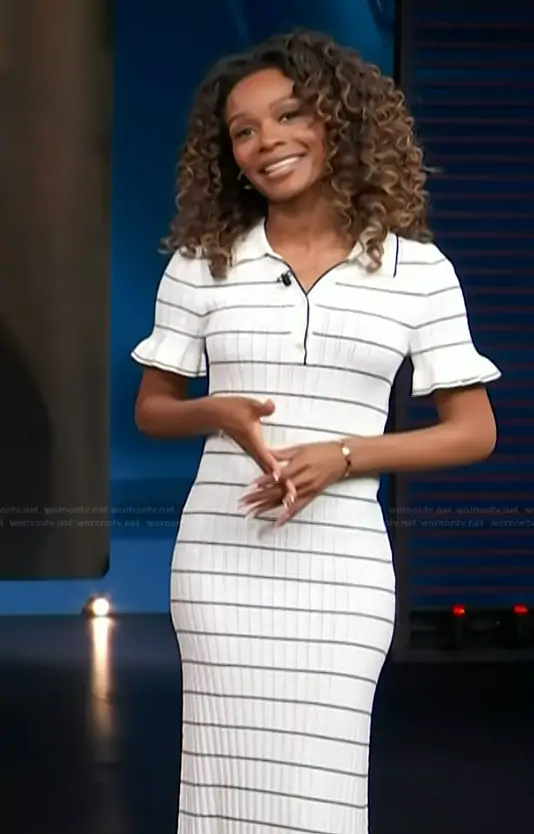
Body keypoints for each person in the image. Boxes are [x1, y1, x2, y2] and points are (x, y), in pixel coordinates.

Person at [132, 29, 501, 834]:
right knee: (224, 784)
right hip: (223, 560)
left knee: (321, 790)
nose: (268, 140)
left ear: (338, 122)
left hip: (342, 566)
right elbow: (153, 409)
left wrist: (344, 456)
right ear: (230, 156)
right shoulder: (202, 262)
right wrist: (217, 411)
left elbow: (474, 431)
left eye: (290, 114)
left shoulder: (418, 272)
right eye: (244, 130)